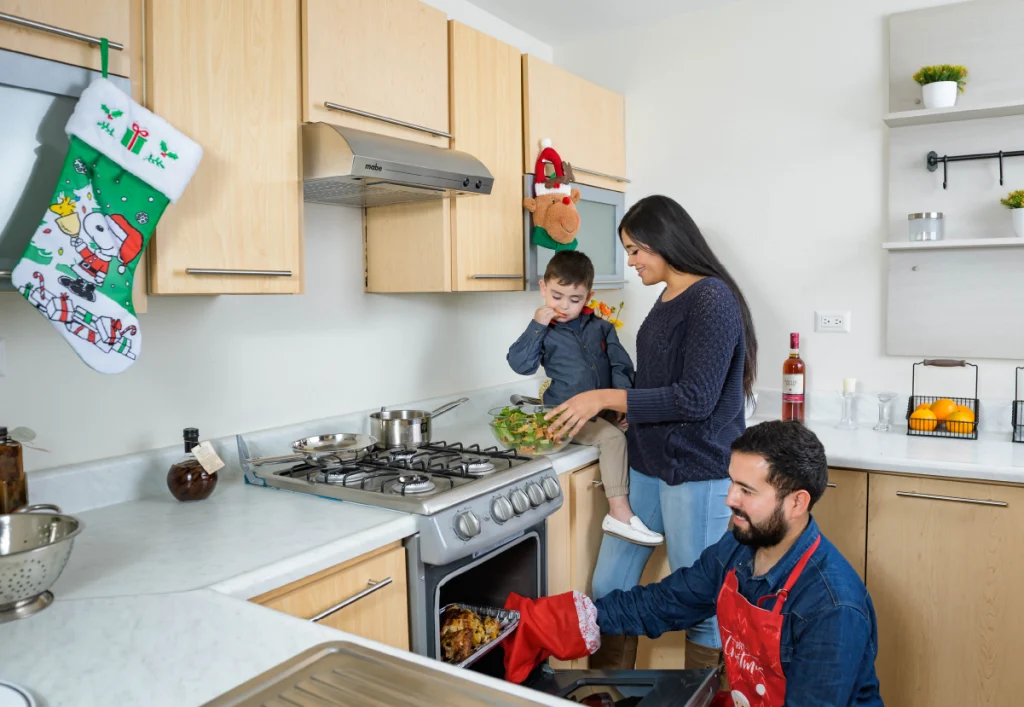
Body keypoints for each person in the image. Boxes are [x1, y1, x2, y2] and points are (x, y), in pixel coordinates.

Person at [502, 421, 884, 707]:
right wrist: (557, 620)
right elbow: (666, 602)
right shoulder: (738, 546)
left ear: (797, 503)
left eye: (746, 491)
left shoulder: (833, 607)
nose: (729, 499)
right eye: (732, 483)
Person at [546, 195, 758, 668]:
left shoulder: (713, 298)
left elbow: (696, 398)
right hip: (647, 463)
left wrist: (607, 399)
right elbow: (661, 379)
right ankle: (606, 696)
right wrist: (627, 409)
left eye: (636, 250)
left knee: (701, 603)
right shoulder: (666, 297)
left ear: (664, 243)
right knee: (609, 587)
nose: (631, 261)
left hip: (696, 470)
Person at [507, 251, 663, 545]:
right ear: (543, 288)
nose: (564, 305)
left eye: (574, 299)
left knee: (635, 434)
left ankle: (638, 509)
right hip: (565, 414)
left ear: (589, 296)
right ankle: (618, 512)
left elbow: (620, 366)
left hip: (602, 411)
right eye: (556, 296)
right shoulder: (545, 333)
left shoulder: (602, 328)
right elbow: (520, 364)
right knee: (612, 439)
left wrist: (620, 404)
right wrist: (536, 325)